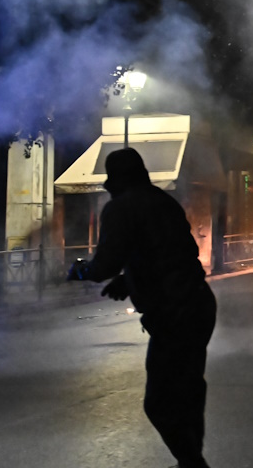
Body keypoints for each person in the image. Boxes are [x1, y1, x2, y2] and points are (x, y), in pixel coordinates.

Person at [66, 148, 217, 468]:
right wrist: (129, 282)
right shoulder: (163, 202)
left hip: (175, 314)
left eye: (110, 177)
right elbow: (165, 254)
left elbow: (105, 263)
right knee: (189, 391)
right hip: (198, 305)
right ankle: (191, 459)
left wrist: (81, 270)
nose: (106, 185)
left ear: (122, 177)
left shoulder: (121, 208)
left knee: (159, 403)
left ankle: (193, 463)